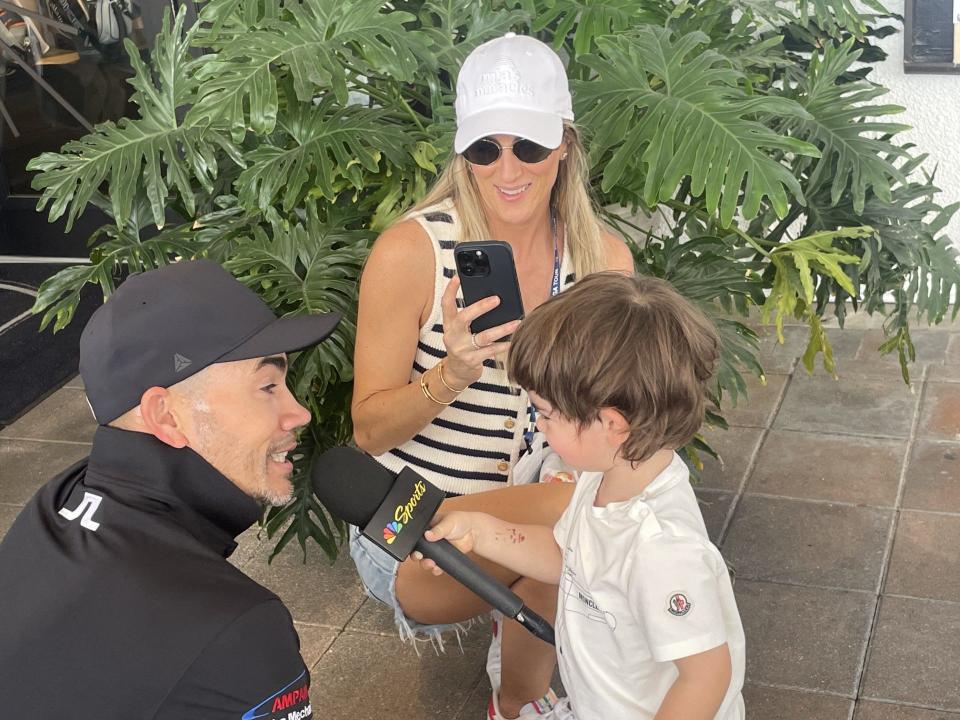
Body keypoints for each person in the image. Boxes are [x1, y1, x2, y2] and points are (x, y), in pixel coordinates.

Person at [349, 32, 635, 720]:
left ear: (564, 146)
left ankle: (517, 705)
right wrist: (452, 371)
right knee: (603, 522)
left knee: (586, 523)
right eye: (484, 148)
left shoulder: (602, 262)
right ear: (463, 154)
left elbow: (619, 413)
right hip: (412, 536)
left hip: (538, 510)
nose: (507, 168)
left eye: (529, 146)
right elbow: (366, 432)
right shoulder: (412, 253)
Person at [0, 259, 339, 719]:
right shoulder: (238, 628)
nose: (299, 413)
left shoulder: (53, 506)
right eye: (267, 386)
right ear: (165, 416)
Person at [419, 272, 746, 719]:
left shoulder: (661, 549)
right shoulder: (608, 474)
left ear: (612, 424)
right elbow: (571, 555)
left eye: (547, 413)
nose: (541, 425)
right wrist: (482, 532)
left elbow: (706, 675)